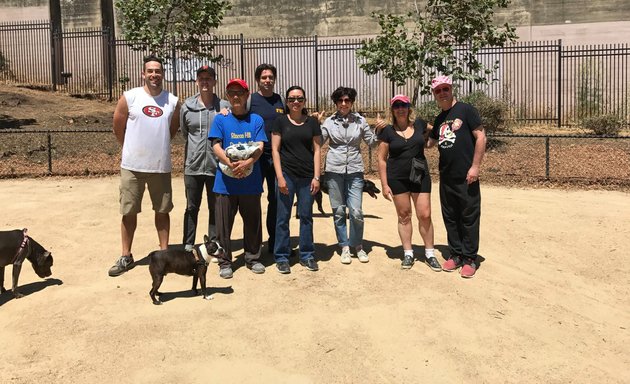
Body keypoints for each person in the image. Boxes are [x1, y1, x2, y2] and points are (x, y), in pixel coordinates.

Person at [109, 55, 180, 277]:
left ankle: (165, 254)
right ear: (143, 73)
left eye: (158, 71)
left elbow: (172, 130)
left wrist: (156, 148)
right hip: (132, 166)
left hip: (160, 166)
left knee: (162, 210)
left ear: (163, 74)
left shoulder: (173, 101)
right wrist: (130, 148)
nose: (154, 75)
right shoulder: (129, 97)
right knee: (129, 211)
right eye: (150, 71)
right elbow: (118, 126)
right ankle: (126, 255)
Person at [427, 75, 487, 278]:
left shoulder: (466, 110)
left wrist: (475, 167)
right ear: (434, 94)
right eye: (438, 91)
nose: (442, 93)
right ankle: (456, 254)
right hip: (446, 176)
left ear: (451, 89)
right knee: (450, 216)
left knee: (469, 216)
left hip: (466, 175)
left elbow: (481, 136)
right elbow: (430, 142)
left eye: (445, 89)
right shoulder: (439, 119)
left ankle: (470, 257)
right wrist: (414, 128)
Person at [209, 78, 267, 278]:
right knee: (223, 225)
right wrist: (230, 162)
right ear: (227, 96)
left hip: (250, 182)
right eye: (232, 92)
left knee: (252, 223)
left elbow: (260, 146)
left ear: (247, 95)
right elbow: (216, 145)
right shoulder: (220, 119)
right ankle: (225, 261)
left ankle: (253, 258)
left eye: (240, 92)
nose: (236, 96)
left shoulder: (256, 120)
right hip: (225, 183)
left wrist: (247, 163)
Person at [376, 94, 441, 271]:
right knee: (404, 215)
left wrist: (432, 141)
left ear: (409, 107)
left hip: (420, 175)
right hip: (397, 178)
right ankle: (408, 253)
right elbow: (381, 159)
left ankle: (430, 253)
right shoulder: (387, 131)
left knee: (425, 214)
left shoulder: (419, 124)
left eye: (403, 105)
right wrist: (384, 184)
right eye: (396, 106)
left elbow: (436, 130)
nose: (400, 109)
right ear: (392, 110)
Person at [321, 86, 379, 264]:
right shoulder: (329, 122)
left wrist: (379, 129)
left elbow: (372, 143)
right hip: (333, 170)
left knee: (356, 211)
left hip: (354, 169)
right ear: (336, 103)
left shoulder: (360, 121)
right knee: (338, 211)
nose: (344, 103)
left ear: (352, 102)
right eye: (340, 100)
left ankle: (358, 245)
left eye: (347, 100)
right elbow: (318, 141)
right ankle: (344, 246)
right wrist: (314, 125)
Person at [271, 86, 322, 274]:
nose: (295, 102)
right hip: (287, 176)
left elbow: (317, 150)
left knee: (306, 217)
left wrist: (317, 176)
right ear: (287, 101)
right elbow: (275, 150)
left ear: (304, 101)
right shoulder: (280, 122)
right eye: (292, 99)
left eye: (299, 98)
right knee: (282, 217)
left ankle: (307, 255)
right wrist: (280, 177)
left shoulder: (312, 123)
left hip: (307, 176)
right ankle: (282, 257)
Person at [180, 65, 228, 252]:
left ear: (215, 81)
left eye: (209, 78)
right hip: (193, 166)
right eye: (201, 78)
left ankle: (213, 242)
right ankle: (188, 243)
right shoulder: (187, 107)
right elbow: (185, 133)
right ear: (197, 81)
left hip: (216, 167)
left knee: (215, 207)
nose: (205, 81)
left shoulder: (224, 107)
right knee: (192, 206)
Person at [248, 64, 285, 254]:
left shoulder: (280, 100)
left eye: (270, 77)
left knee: (276, 200)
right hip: (256, 157)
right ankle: (254, 245)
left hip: (276, 157)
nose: (267, 80)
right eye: (263, 78)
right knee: (253, 199)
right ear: (257, 80)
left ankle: (275, 242)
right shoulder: (251, 100)